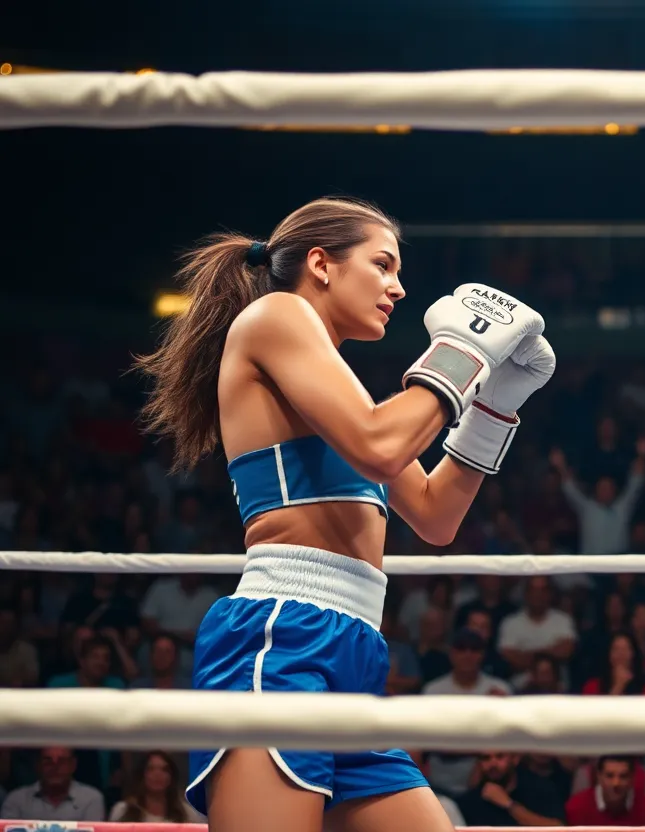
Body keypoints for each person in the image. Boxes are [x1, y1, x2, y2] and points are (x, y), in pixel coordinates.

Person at [134, 197, 555, 832]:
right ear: (321, 264)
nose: (399, 285)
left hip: (354, 648)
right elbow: (382, 446)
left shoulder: (344, 388)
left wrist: (494, 403)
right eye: (383, 264)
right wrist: (462, 354)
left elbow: (435, 516)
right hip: (281, 638)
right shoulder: (273, 316)